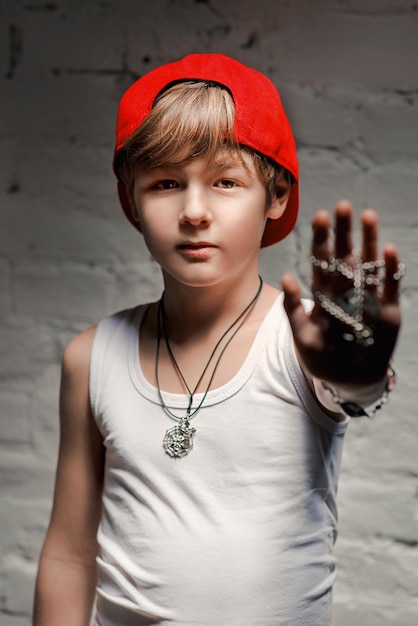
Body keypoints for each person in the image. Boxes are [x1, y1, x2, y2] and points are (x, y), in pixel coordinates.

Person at [33, 53, 403, 626]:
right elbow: (70, 554)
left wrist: (359, 370)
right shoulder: (91, 356)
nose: (195, 211)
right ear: (132, 201)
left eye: (226, 181)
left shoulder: (302, 337)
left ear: (275, 196)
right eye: (165, 183)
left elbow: (354, 387)